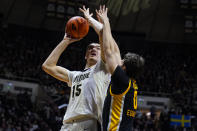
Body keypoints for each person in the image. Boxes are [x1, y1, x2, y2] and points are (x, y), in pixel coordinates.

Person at [42, 6, 111, 131]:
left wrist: (89, 19)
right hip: (68, 125)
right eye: (90, 48)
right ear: (85, 55)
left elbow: (103, 35)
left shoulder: (103, 68)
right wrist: (66, 41)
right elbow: (48, 66)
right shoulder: (74, 76)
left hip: (89, 123)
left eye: (97, 47)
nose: (93, 49)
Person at [96, 6, 145, 131]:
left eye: (122, 61)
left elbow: (108, 51)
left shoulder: (122, 81)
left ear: (124, 68)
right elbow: (116, 51)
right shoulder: (130, 83)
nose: (119, 61)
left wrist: (106, 21)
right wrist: (102, 26)